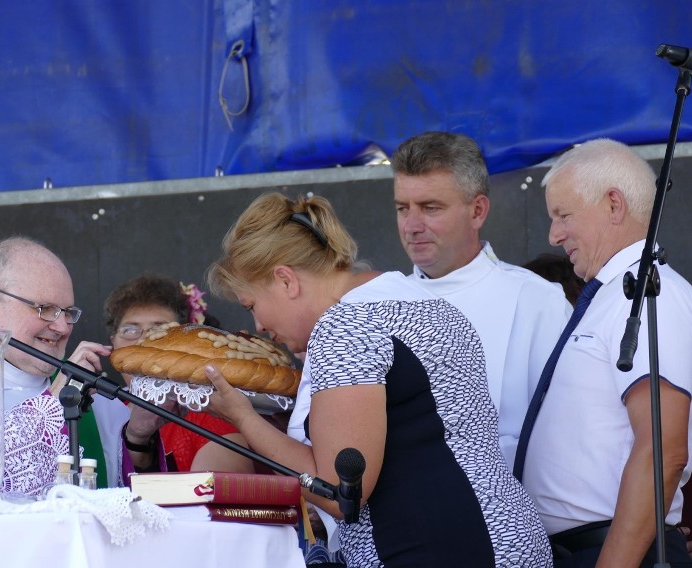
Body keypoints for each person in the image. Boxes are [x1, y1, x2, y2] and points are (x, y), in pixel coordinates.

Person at [199, 192, 552, 567]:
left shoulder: (345, 327)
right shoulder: (417, 298)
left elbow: (339, 491)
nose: (258, 326)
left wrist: (244, 418)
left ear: (286, 280)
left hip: (435, 547)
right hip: (502, 535)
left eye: (252, 305)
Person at [518, 138, 692, 566]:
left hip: (613, 551)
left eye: (563, 215)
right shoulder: (611, 297)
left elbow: (661, 449)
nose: (554, 234)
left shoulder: (647, 294)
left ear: (613, 205)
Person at [386, 131, 572, 468]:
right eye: (403, 208)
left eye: (430, 208)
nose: (411, 225)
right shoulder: (370, 304)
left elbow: (568, 436)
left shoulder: (537, 302)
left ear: (477, 211)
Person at [0, 236, 135, 496]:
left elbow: (126, 498)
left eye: (67, 312)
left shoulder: (97, 401)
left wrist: (142, 435)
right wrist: (54, 400)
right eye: (44, 308)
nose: (61, 327)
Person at [103, 273, 253, 473]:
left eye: (161, 329)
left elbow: (206, 497)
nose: (144, 342)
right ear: (113, 343)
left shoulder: (211, 414)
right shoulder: (99, 412)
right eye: (130, 330)